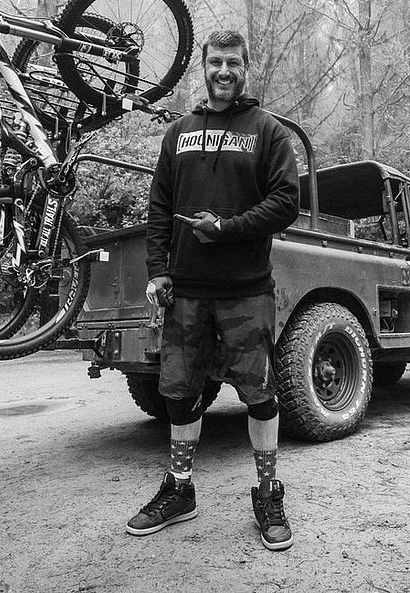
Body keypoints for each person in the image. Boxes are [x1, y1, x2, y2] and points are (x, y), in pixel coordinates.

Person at [126, 29, 300, 551]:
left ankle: (268, 492)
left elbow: (286, 201)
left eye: (233, 63)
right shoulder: (179, 132)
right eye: (215, 62)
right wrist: (158, 270)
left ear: (247, 67)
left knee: (260, 392)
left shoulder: (267, 131)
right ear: (203, 68)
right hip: (185, 291)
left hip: (247, 290)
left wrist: (226, 227)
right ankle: (180, 489)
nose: (224, 71)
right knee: (177, 391)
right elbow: (159, 205)